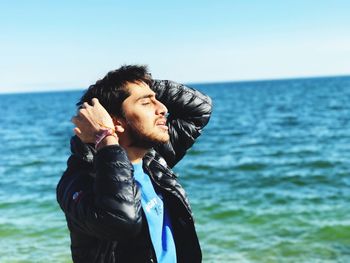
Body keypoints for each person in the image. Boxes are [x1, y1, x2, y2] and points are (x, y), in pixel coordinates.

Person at [56, 65, 212, 263]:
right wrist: (104, 135)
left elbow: (199, 108)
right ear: (116, 122)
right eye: (146, 103)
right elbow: (121, 220)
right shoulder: (78, 181)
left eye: (157, 100)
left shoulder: (153, 160)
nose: (163, 109)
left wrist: (142, 85)